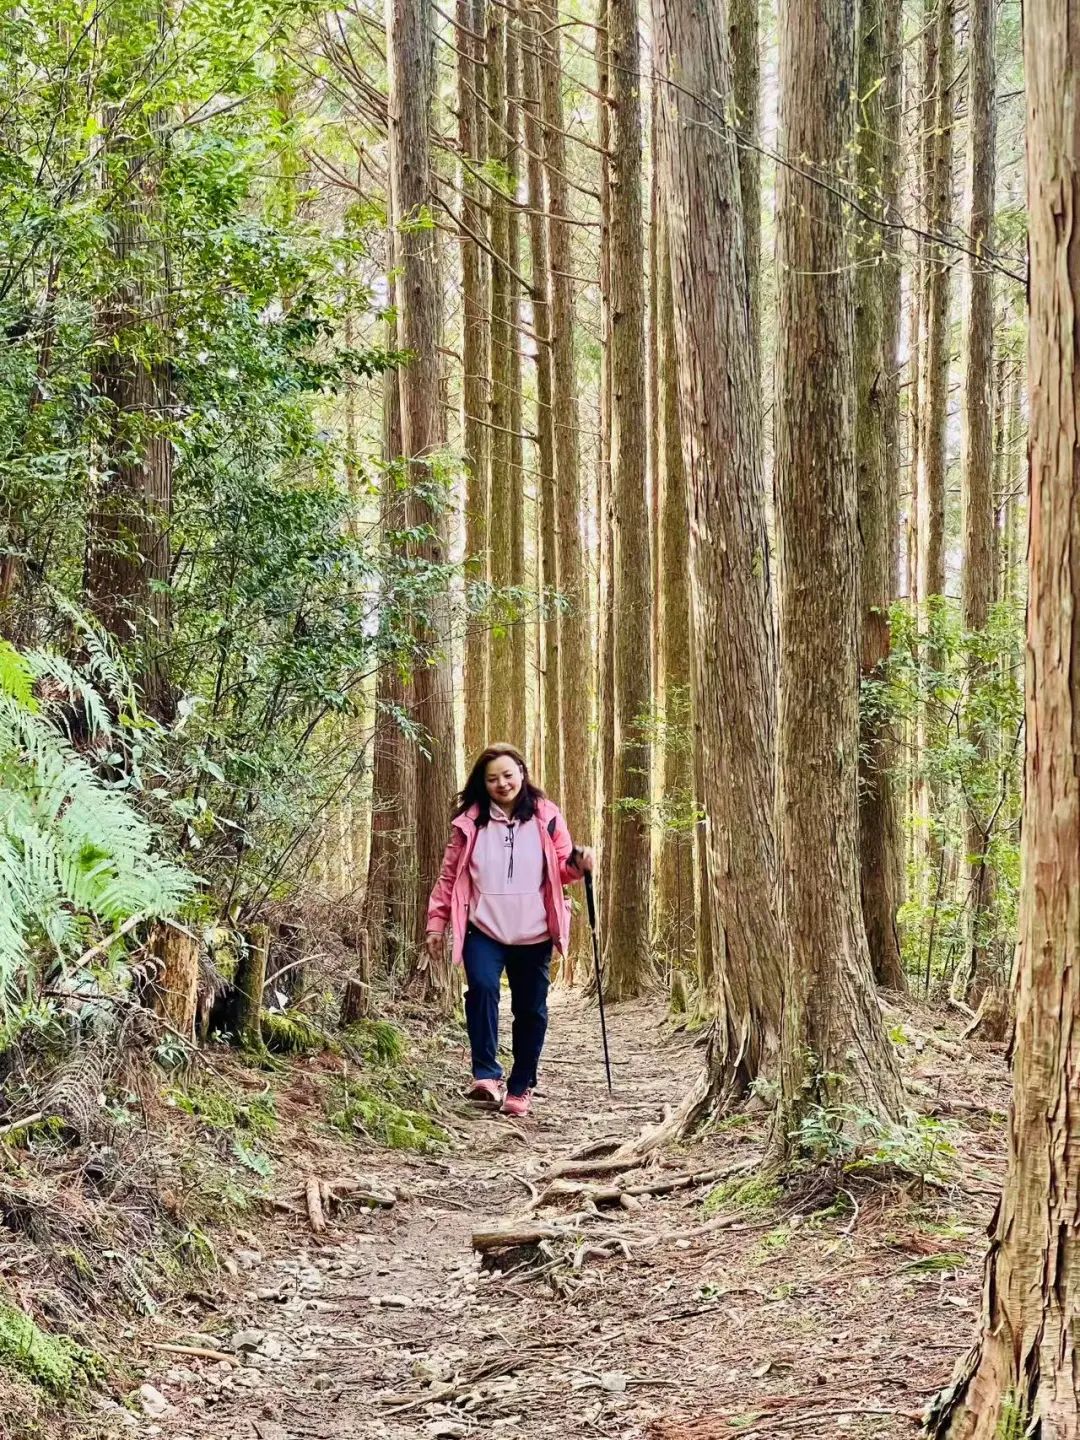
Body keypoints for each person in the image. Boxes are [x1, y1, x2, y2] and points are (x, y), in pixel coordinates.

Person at [425, 742, 594, 1118]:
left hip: (534, 932)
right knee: (483, 989)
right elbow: (449, 876)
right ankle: (486, 1075)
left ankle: (520, 1087)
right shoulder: (470, 823)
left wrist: (580, 864)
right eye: (492, 779)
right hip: (483, 927)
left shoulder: (546, 816)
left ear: (521, 772)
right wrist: (436, 924)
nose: (502, 783)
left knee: (530, 1009)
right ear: (482, 784)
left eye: (507, 775)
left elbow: (562, 870)